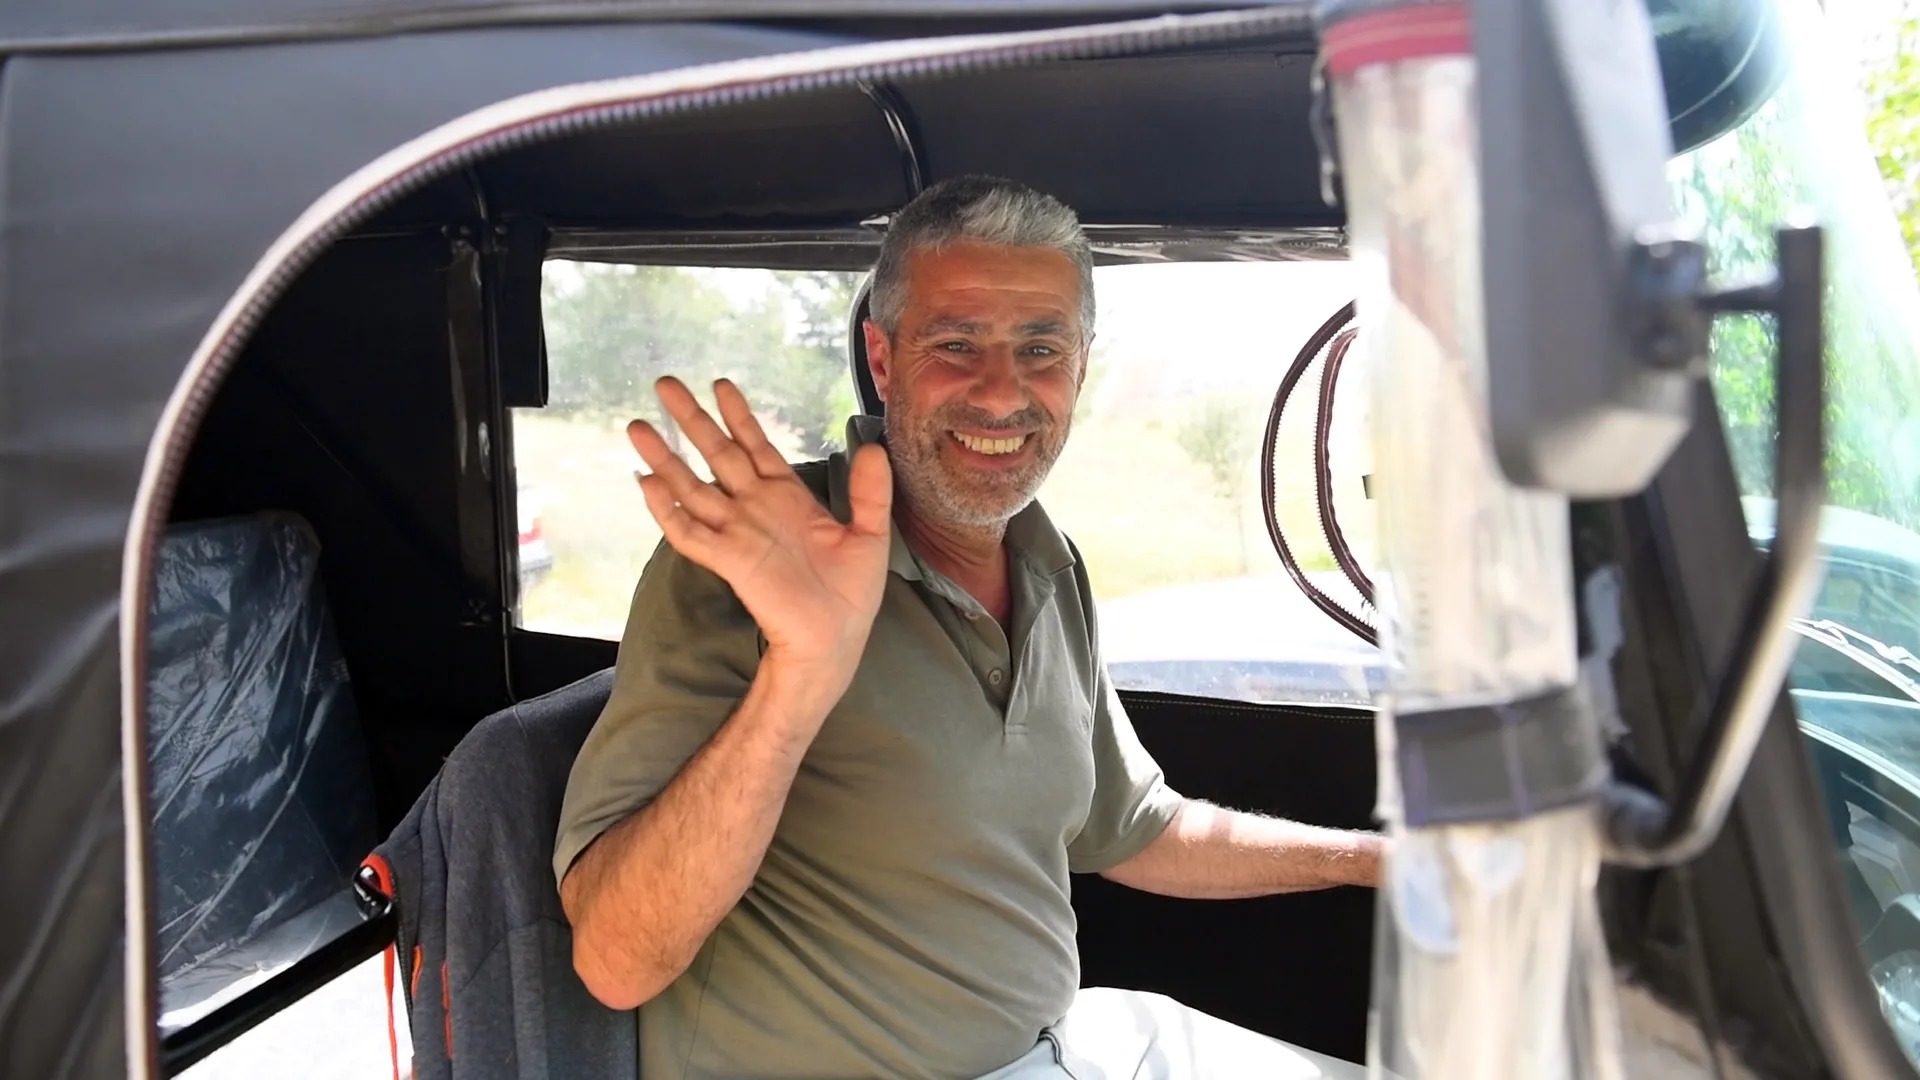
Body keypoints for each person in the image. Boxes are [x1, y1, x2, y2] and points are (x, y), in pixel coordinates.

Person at [553, 175, 1380, 1080]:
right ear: (882, 357)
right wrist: (802, 669)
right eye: (957, 344)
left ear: (1081, 366)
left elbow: (1135, 828)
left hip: (1067, 1042)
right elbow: (616, 960)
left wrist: (1375, 861)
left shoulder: (1048, 563)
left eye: (1040, 347)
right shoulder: (749, 563)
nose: (1002, 394)